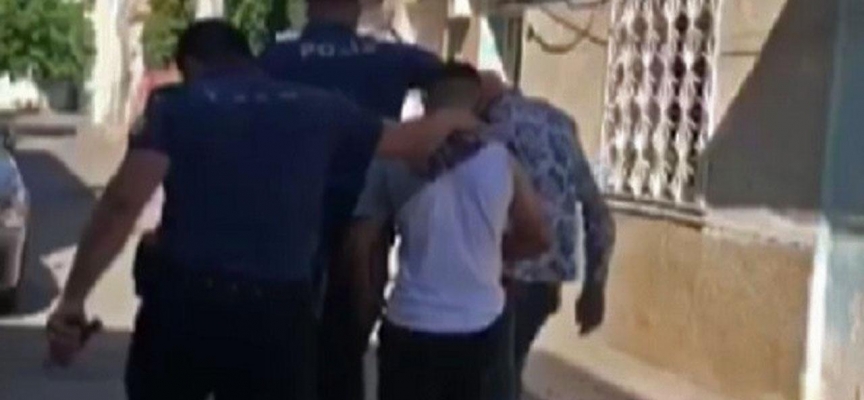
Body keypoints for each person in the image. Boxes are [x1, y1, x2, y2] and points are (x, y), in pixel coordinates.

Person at [45, 20, 481, 400]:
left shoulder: (177, 106)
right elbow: (411, 140)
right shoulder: (321, 107)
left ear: (190, 65)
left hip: (186, 305)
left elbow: (122, 204)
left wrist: (74, 299)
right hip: (279, 313)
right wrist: (458, 119)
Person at [259, 1, 442, 399]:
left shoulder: (277, 58)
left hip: (292, 214)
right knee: (346, 342)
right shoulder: (393, 57)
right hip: (366, 214)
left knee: (286, 338)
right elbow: (459, 86)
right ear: (358, 9)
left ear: (309, 7)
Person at [348, 63, 550, 400]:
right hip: (482, 325)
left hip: (410, 324)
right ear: (477, 104)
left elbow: (361, 243)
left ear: (427, 101)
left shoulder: (395, 159)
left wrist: (365, 305)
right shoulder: (503, 161)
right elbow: (539, 236)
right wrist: (495, 257)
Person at [479, 72, 616, 399]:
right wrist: (594, 287)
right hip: (545, 282)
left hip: (502, 273)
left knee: (491, 376)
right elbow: (599, 214)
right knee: (507, 368)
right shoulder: (559, 123)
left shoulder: (488, 127)